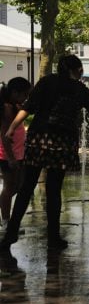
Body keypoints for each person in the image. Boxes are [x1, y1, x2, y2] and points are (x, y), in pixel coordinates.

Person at [0, 55, 89, 253]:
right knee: (54, 189)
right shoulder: (79, 89)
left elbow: (28, 107)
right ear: (77, 69)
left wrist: (12, 128)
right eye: (80, 69)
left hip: (39, 139)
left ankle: (11, 233)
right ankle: (53, 237)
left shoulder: (46, 82)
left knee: (27, 187)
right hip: (62, 142)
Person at [0, 78, 31, 230]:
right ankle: (6, 222)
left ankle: (3, 205)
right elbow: (5, 135)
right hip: (7, 154)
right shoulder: (6, 108)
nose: (26, 97)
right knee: (9, 186)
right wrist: (10, 157)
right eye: (24, 94)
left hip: (19, 152)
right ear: (14, 92)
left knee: (18, 186)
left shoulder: (15, 106)